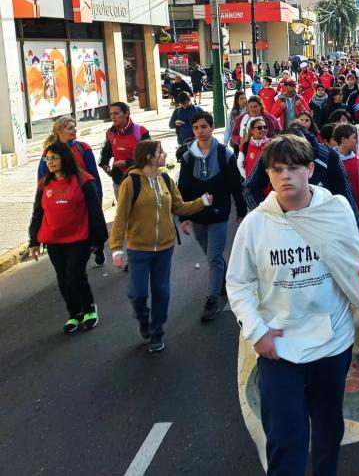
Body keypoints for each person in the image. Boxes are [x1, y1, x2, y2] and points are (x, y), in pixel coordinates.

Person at [226, 134, 359, 476]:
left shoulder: (336, 210)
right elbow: (238, 283)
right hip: (279, 348)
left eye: (294, 168)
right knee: (285, 437)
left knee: (327, 428)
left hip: (332, 342)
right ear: (267, 175)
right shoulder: (254, 225)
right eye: (277, 169)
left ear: (311, 169)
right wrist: (257, 332)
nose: (286, 176)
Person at [110, 140, 212, 353]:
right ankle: (143, 319)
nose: (164, 155)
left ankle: (157, 332)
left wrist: (200, 202)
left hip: (165, 247)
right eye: (160, 152)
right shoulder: (131, 183)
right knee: (137, 294)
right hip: (139, 248)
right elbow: (121, 218)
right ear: (149, 157)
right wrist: (117, 248)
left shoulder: (166, 178)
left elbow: (178, 206)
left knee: (161, 292)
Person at [29, 142, 108, 334]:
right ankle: (74, 314)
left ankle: (89, 308)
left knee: (74, 276)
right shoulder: (44, 183)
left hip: (79, 239)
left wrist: (98, 241)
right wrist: (33, 241)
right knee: (63, 279)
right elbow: (37, 212)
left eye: (54, 157)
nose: (50, 162)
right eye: (47, 158)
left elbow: (95, 212)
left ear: (65, 157)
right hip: (54, 241)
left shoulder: (83, 180)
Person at [178, 112, 247, 321]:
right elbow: (184, 188)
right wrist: (184, 216)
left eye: (203, 127)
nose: (200, 131)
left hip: (219, 214)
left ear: (212, 127)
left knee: (213, 257)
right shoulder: (188, 157)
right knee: (211, 254)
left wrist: (241, 211)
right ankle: (226, 281)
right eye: (196, 127)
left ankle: (212, 300)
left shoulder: (224, 154)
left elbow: (236, 185)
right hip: (197, 215)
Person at [99, 102, 150, 200]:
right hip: (119, 179)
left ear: (127, 113)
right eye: (111, 114)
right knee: (123, 213)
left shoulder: (140, 131)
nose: (113, 117)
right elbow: (107, 149)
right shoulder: (110, 132)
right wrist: (103, 163)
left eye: (116, 113)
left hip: (139, 179)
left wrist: (127, 163)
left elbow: (149, 157)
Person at [333, 123, 359, 213]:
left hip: (358, 212)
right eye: (354, 137)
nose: (357, 141)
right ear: (344, 139)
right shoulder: (330, 161)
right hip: (338, 213)